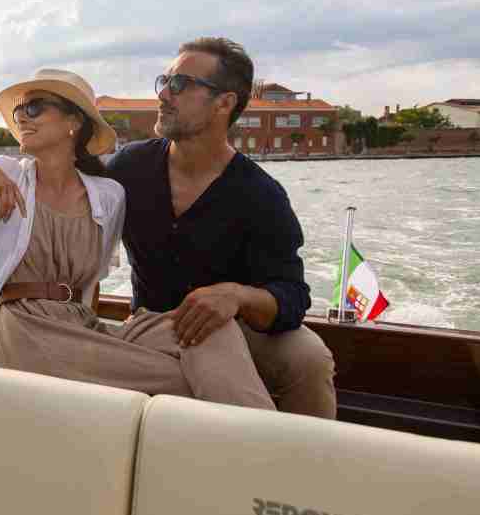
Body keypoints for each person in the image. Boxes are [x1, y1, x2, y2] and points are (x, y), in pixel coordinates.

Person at [0, 68, 274, 410]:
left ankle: (271, 445)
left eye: (36, 107)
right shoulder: (7, 174)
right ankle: (274, 453)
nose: (22, 117)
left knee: (207, 329)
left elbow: (91, 284)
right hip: (25, 327)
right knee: (188, 379)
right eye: (20, 111)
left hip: (80, 322)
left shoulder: (108, 195)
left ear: (73, 122)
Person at [106, 37, 336, 418]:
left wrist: (237, 296)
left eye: (180, 85)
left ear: (224, 103)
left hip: (238, 325)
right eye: (164, 81)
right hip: (152, 322)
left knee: (310, 358)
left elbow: (292, 295)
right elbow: (65, 198)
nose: (164, 95)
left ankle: (308, 463)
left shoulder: (260, 194)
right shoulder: (130, 167)